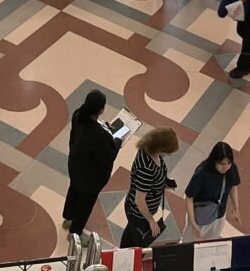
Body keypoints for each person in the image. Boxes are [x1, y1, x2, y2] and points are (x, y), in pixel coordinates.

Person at [62, 89, 120, 235]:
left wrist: (103, 126)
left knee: (74, 190)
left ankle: (68, 217)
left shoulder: (78, 115)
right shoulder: (98, 136)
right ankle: (75, 232)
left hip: (75, 167)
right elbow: (109, 156)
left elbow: (88, 128)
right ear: (101, 110)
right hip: (90, 179)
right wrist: (117, 141)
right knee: (85, 204)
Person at [120, 127, 180, 248]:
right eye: (167, 152)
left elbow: (151, 181)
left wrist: (163, 183)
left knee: (131, 233)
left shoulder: (151, 151)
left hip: (142, 211)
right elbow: (139, 200)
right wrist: (151, 221)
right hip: (138, 214)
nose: (168, 155)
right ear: (158, 147)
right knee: (135, 241)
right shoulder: (146, 168)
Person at [182, 142, 240, 242]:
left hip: (219, 215)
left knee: (211, 241)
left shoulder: (232, 169)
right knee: (189, 243)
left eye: (229, 163)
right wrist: (193, 223)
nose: (226, 167)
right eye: (222, 164)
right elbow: (189, 197)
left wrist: (236, 207)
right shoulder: (202, 173)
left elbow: (233, 186)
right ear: (215, 161)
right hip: (200, 215)